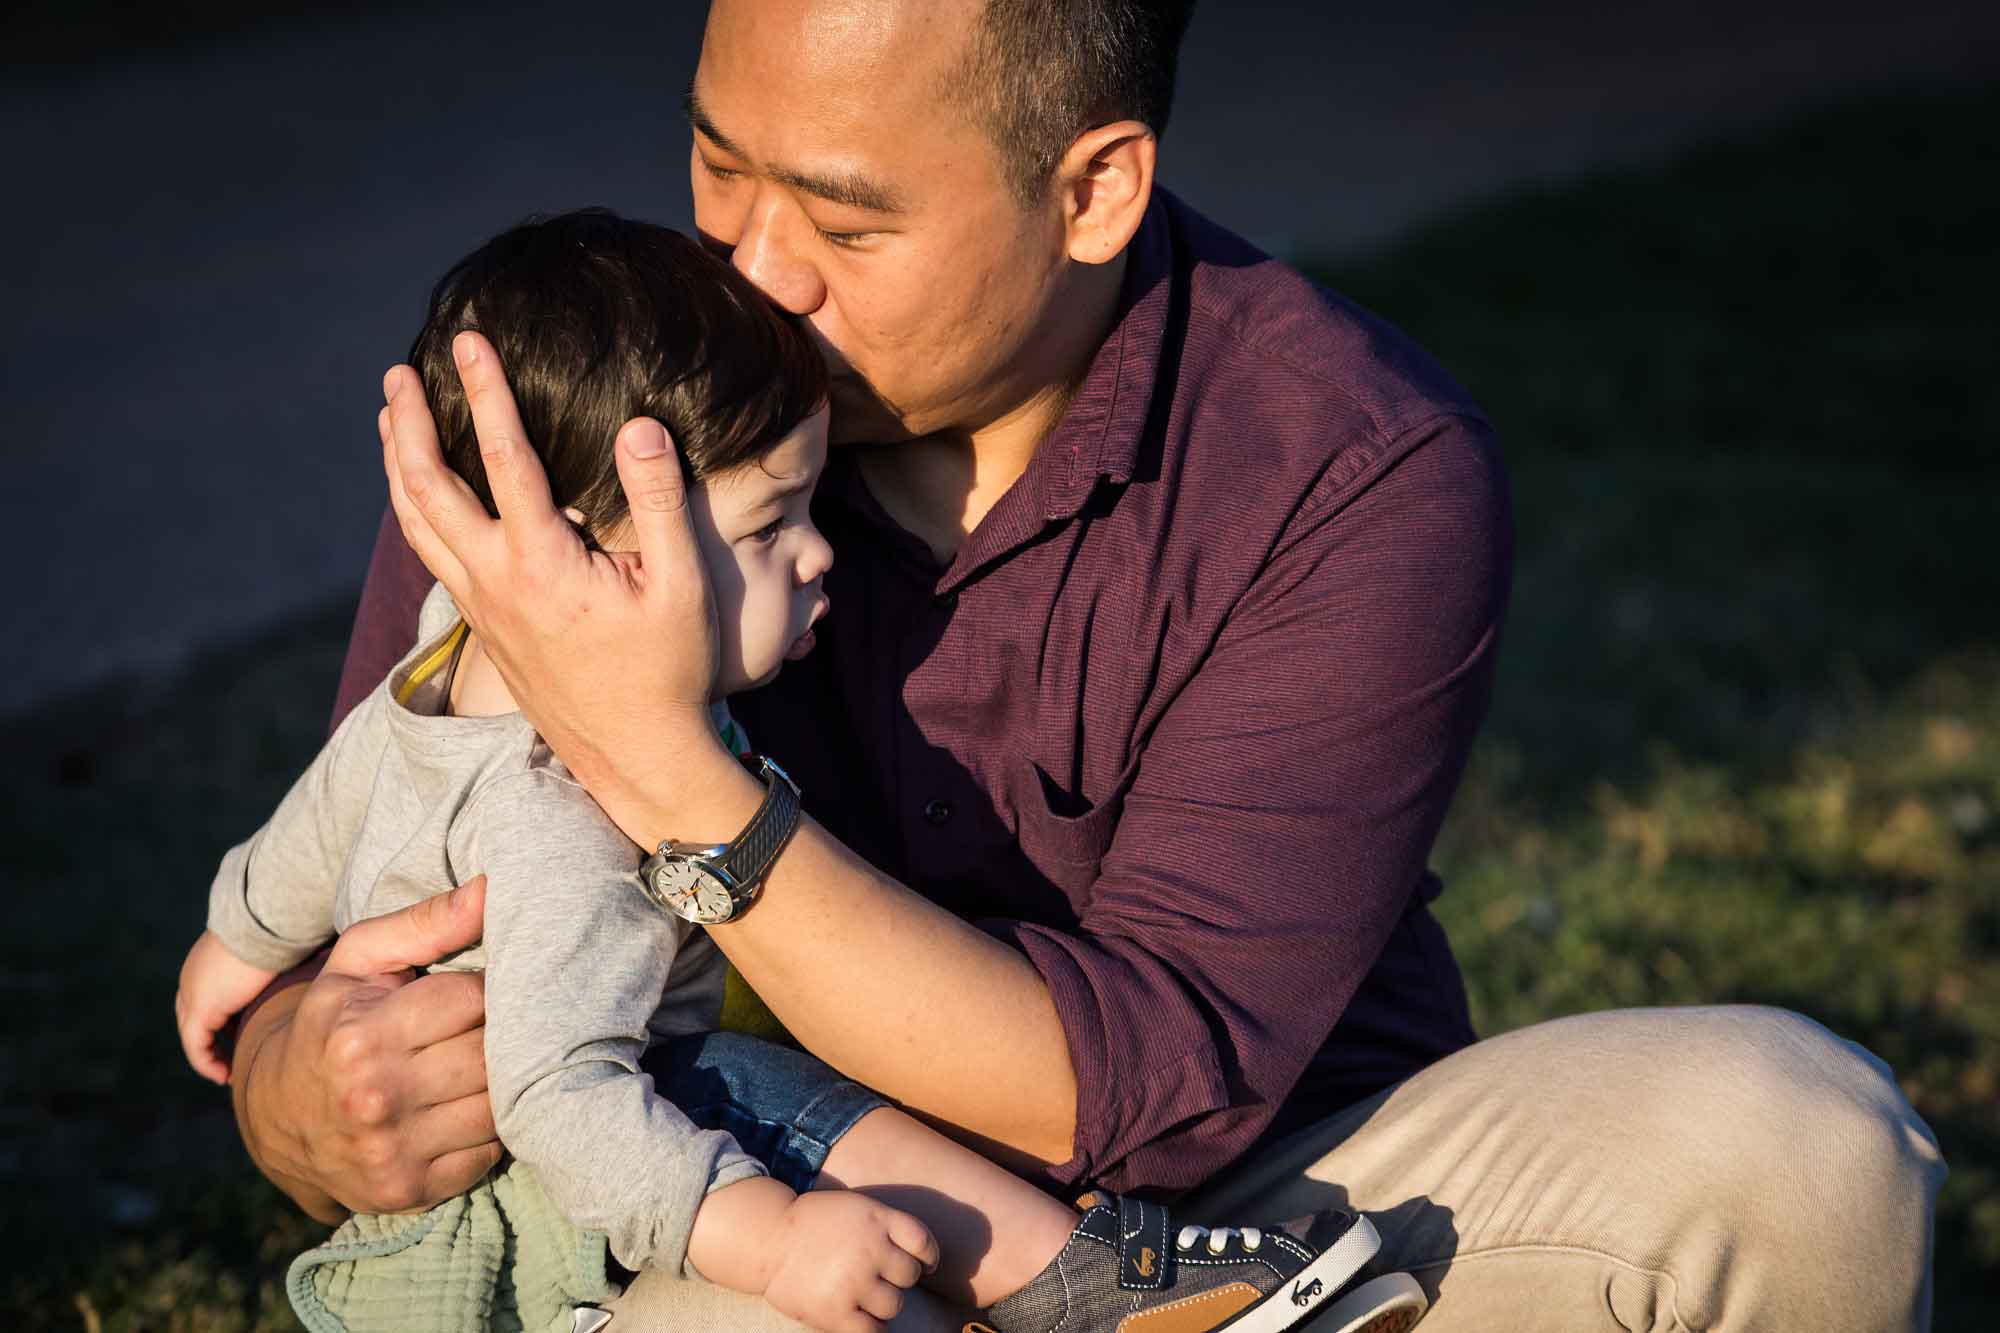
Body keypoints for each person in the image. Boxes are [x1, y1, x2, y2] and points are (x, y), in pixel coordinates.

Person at [226, 2, 1945, 1329]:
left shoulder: (1348, 466)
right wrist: (300, 1091)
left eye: (841, 215)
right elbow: (369, 893)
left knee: (1793, 1143)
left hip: (1257, 1236)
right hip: (741, 1227)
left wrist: (673, 775)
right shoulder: (593, 424)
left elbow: (1140, 1080)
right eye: (717, 165)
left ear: (1094, 187)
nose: (749, 265)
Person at [179, 210, 1424, 1333]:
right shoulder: (557, 822)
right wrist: (770, 1238)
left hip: (572, 1164)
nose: (818, 552)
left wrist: (231, 949)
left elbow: (326, 804)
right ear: (595, 559)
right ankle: (1088, 1287)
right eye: (769, 528)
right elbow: (567, 1105)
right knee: (733, 1080)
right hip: (548, 1215)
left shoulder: (441, 649)